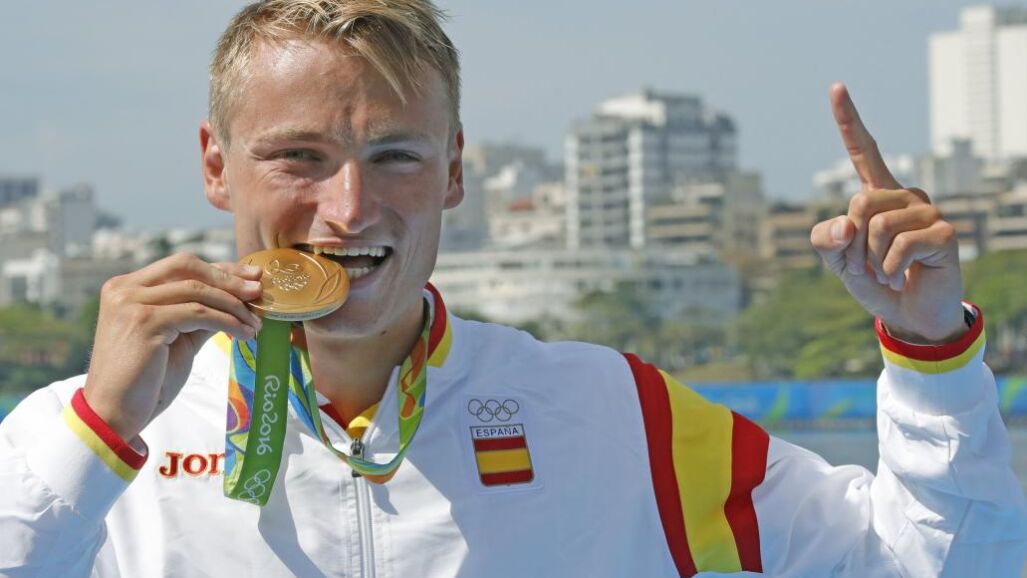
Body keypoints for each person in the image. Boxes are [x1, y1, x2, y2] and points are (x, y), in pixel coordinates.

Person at [2, 1, 1025, 576]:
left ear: (453, 170)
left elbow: (936, 566)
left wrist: (930, 350)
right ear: (215, 165)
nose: (349, 209)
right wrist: (99, 434)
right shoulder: (81, 436)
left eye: (395, 156)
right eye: (298, 157)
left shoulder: (613, 413)